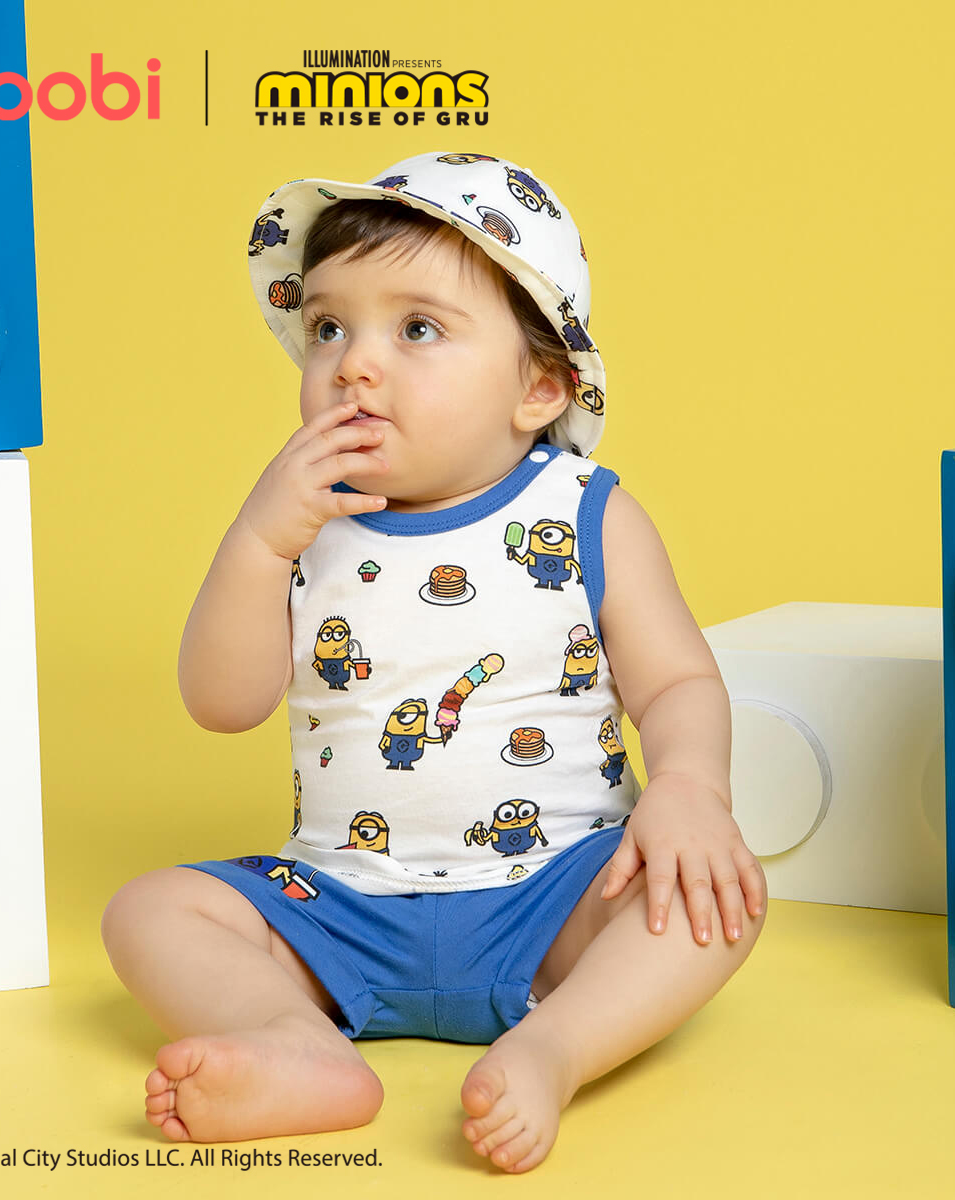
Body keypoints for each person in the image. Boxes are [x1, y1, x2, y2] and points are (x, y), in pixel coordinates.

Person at [101, 151, 767, 1174]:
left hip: (555, 895)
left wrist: (688, 788)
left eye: (416, 329)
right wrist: (258, 544)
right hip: (340, 906)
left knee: (712, 901)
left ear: (538, 386)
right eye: (329, 327)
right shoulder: (302, 527)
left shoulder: (586, 515)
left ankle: (556, 1047)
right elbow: (222, 703)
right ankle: (297, 1042)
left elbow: (676, 682)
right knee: (149, 912)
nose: (353, 365)